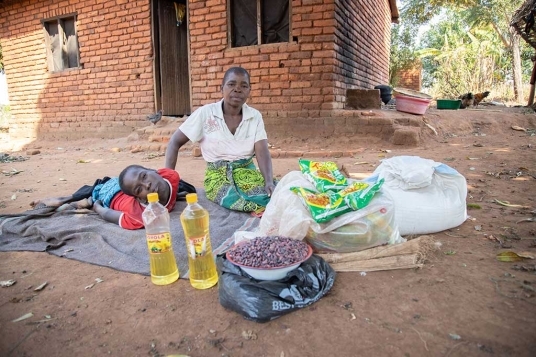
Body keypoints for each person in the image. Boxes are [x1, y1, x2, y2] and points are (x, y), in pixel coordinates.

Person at [165, 66, 276, 213]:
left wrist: (268, 181)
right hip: (218, 178)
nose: (237, 89)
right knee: (246, 200)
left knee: (278, 194)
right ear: (221, 88)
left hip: (248, 174)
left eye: (244, 86)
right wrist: (168, 184)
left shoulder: (254, 116)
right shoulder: (206, 114)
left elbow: (262, 151)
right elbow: (174, 143)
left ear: (249, 90)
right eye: (231, 84)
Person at [29, 165, 181, 230]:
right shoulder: (140, 217)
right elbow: (109, 214)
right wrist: (98, 208)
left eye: (144, 176)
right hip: (108, 194)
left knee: (98, 186)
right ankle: (71, 201)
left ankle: (78, 201)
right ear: (140, 199)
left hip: (117, 183)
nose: (147, 185)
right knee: (96, 191)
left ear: (154, 170)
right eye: (139, 189)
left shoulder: (170, 176)